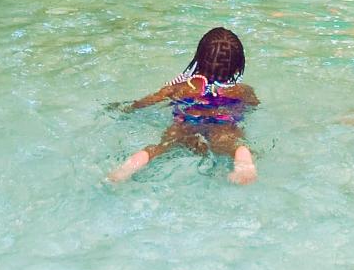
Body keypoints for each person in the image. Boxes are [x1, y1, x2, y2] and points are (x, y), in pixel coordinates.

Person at [109, 26, 258, 185]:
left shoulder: (182, 87)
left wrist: (129, 107)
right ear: (237, 67)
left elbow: (148, 101)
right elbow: (253, 106)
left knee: (160, 147)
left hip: (186, 124)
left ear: (198, 59)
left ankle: (129, 166)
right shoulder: (241, 91)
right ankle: (241, 154)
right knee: (233, 144)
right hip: (222, 126)